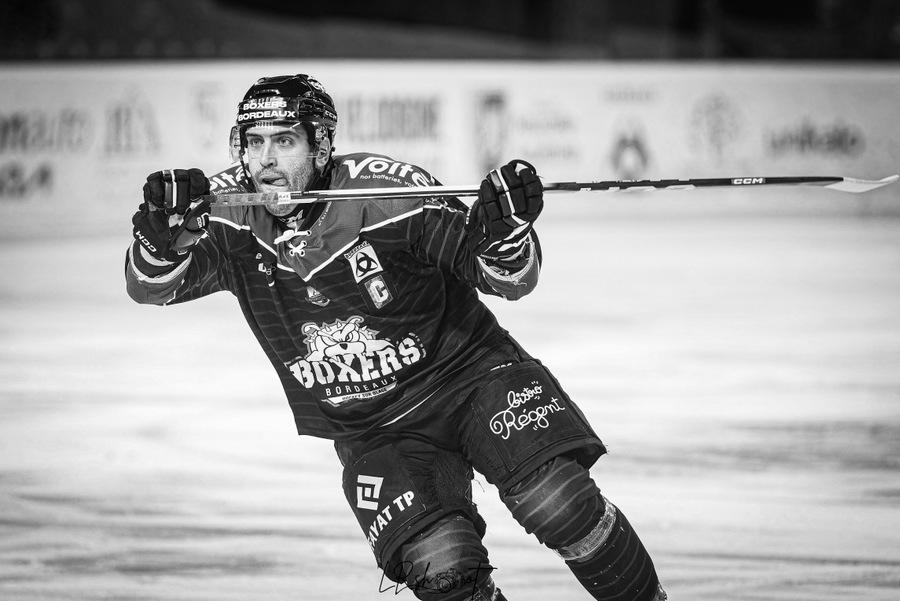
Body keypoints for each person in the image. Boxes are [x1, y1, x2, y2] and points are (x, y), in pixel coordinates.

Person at [126, 74, 667, 601]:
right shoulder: (222, 213)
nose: (265, 160)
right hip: (371, 427)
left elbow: (508, 279)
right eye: (254, 142)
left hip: (469, 377)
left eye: (285, 142)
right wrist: (159, 239)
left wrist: (504, 233)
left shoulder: (391, 193)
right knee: (442, 568)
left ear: (321, 146)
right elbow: (148, 288)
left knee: (558, 501)